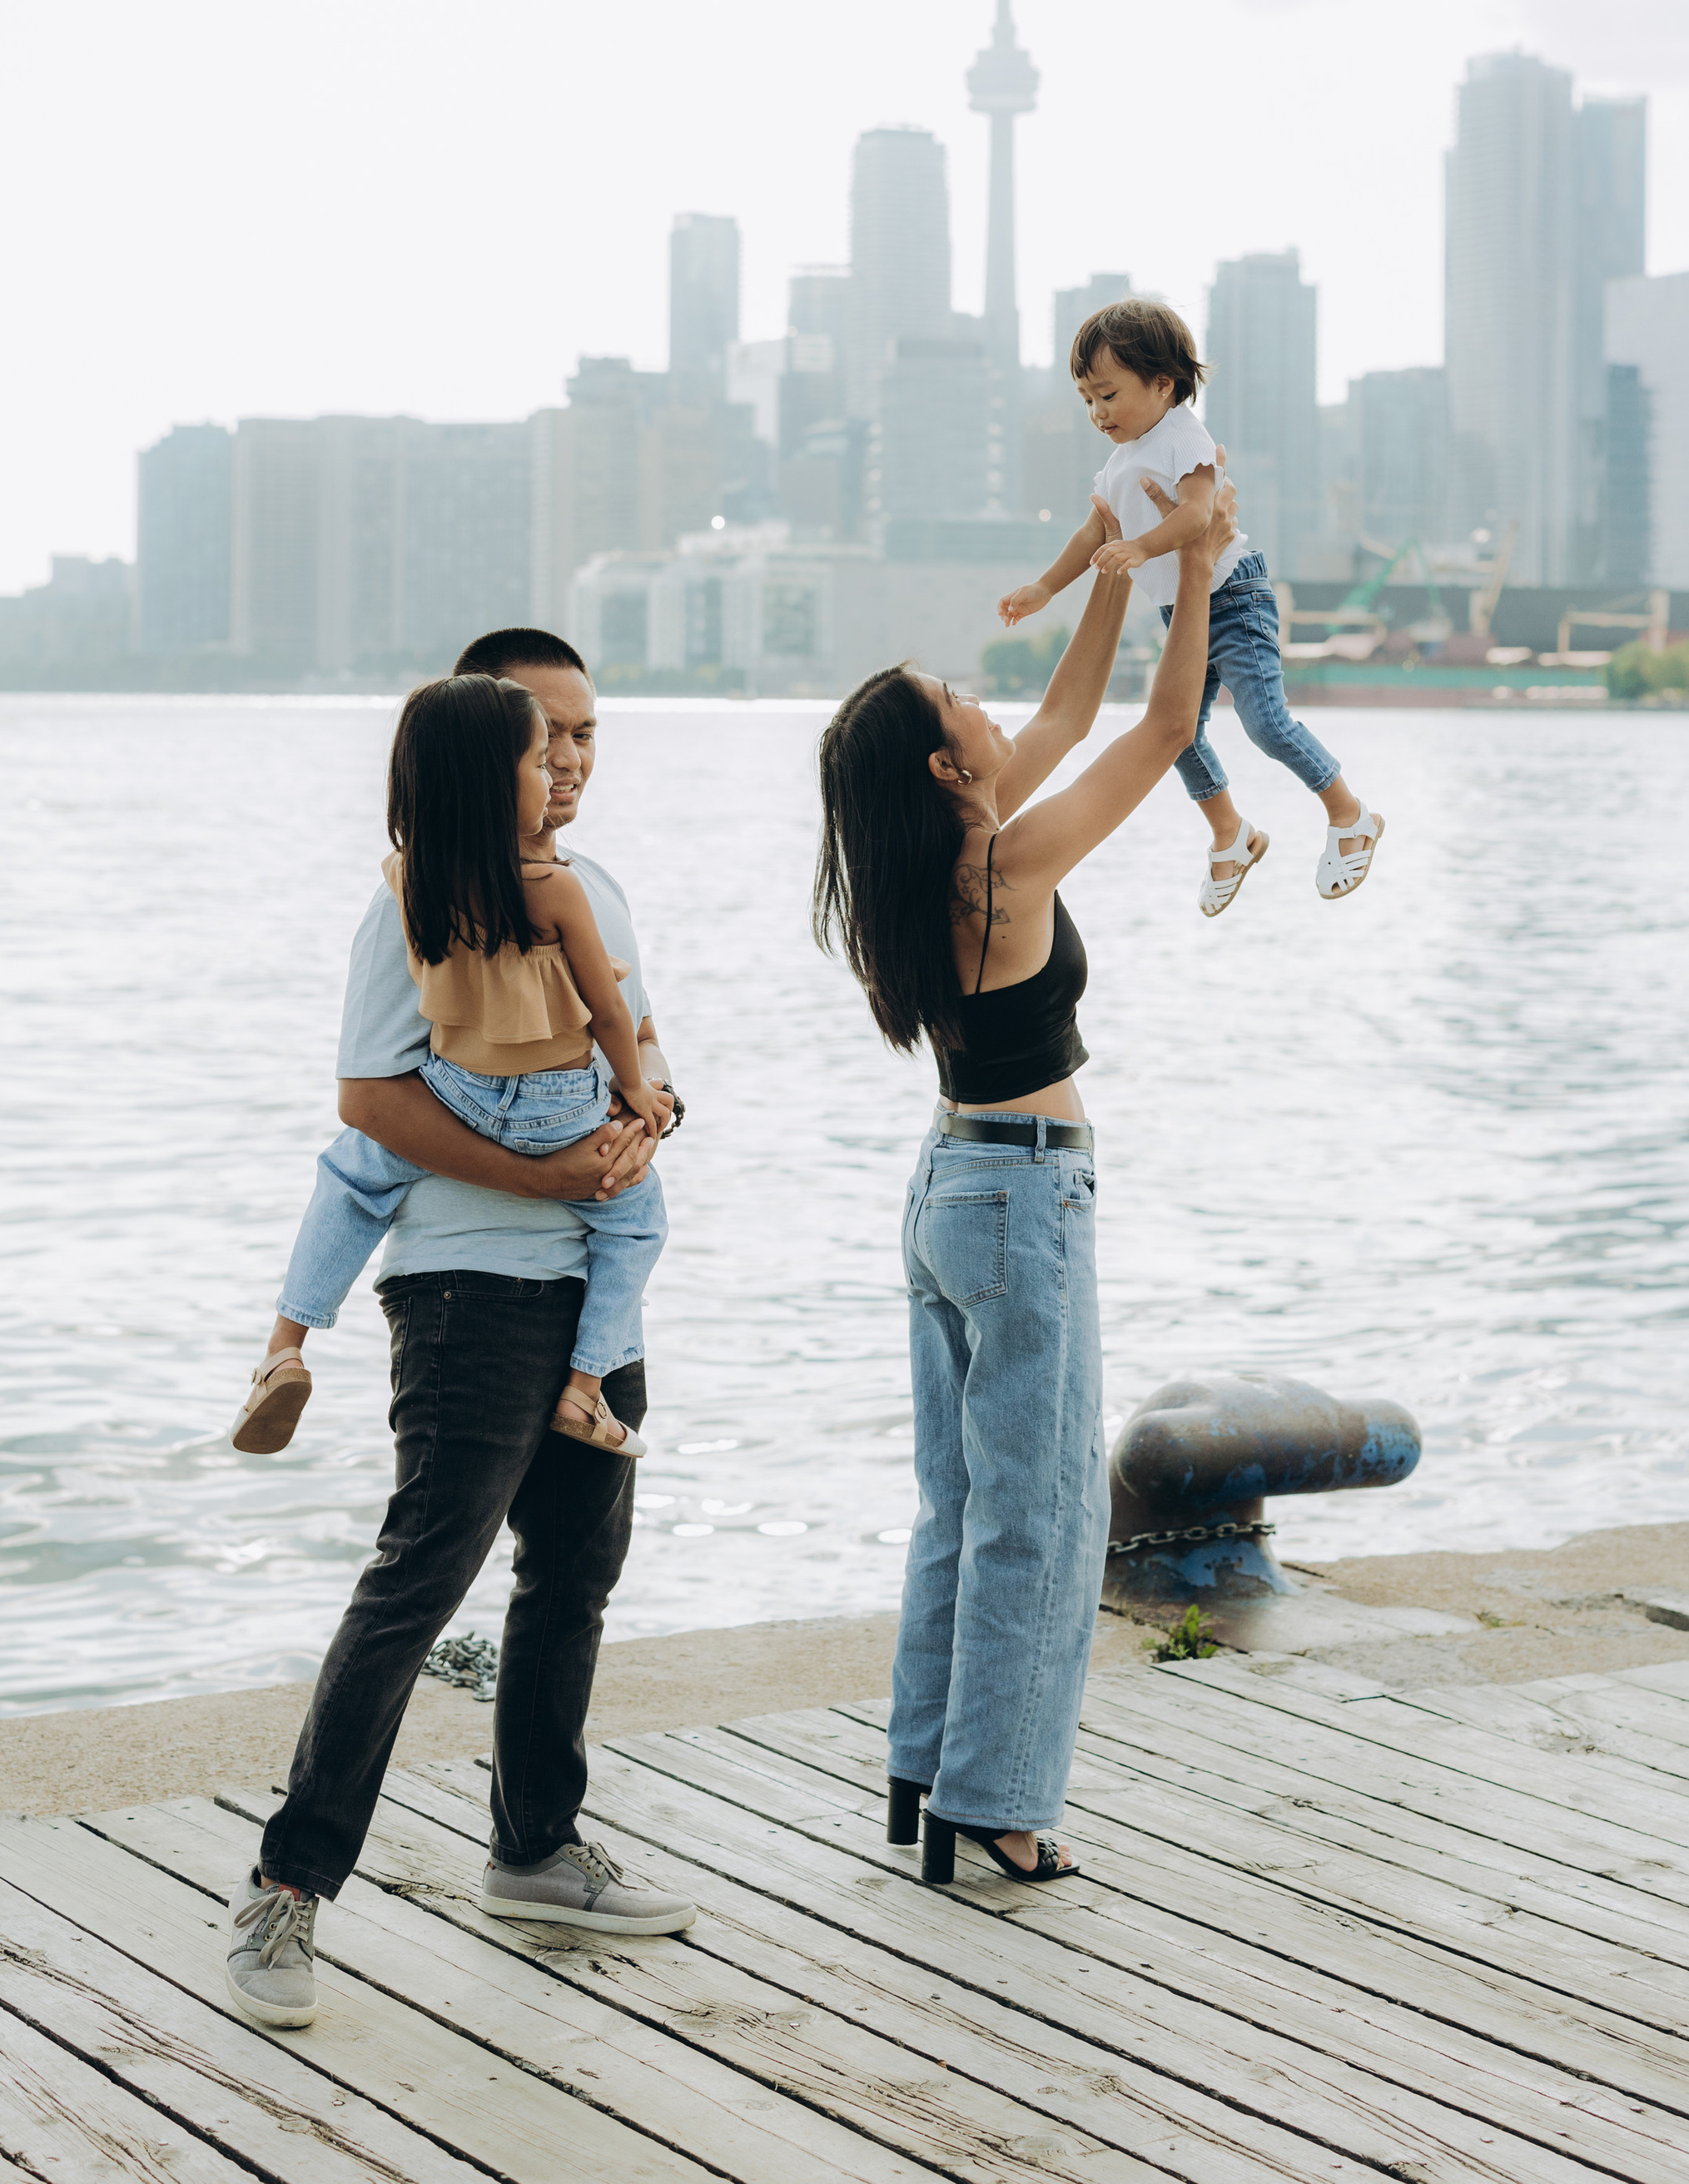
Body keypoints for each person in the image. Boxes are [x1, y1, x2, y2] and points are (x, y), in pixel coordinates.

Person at [225, 628, 696, 2033]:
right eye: (541, 736)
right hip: (469, 1294)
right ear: (479, 750)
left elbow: (640, 1051)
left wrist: (648, 1122)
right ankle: (287, 1890)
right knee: (417, 1584)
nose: (567, 759)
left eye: (585, 735)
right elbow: (372, 1107)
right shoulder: (409, 907)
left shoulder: (591, 888)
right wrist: (549, 1176)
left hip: (592, 1297)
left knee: (574, 1578)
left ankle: (537, 1853)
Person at [813, 475, 1236, 1889]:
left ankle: (928, 1773)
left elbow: (1065, 722)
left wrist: (1119, 566)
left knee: (960, 1502)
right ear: (945, 768)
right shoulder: (1002, 865)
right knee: (1043, 1517)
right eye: (961, 707)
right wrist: (1206, 570)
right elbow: (1164, 732)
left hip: (951, 1190)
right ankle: (998, 1803)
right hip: (1021, 1203)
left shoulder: (939, 860)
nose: (992, 712)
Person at [231, 671, 668, 1464]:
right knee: (637, 1222)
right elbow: (615, 1019)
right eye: (540, 757)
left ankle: (286, 1345)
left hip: (460, 1090)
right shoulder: (559, 889)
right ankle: (585, 1389)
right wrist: (640, 1094)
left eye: (580, 740)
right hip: (559, 1104)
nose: (559, 770)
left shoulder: (412, 881)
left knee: (353, 1177)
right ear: (498, 781)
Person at [998, 295, 1382, 917]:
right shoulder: (1119, 463)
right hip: (1183, 610)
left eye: (1109, 395)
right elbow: (1091, 533)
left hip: (1231, 598)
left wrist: (1140, 545)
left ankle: (1350, 814)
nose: (1097, 412)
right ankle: (1232, 834)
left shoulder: (1184, 438)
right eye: (1087, 400)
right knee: (1176, 736)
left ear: (1162, 383)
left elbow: (1200, 515)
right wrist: (1045, 587)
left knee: (1264, 721)